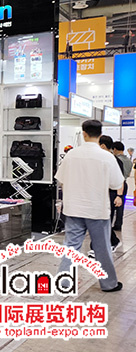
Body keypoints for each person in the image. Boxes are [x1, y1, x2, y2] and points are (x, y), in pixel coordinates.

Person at [55, 120, 123, 292]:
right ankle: (109, 284)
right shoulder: (107, 157)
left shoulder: (71, 155)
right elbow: (116, 183)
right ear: (100, 134)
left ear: (84, 133)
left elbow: (61, 180)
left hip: (73, 208)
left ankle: (63, 282)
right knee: (102, 249)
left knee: (71, 247)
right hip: (97, 210)